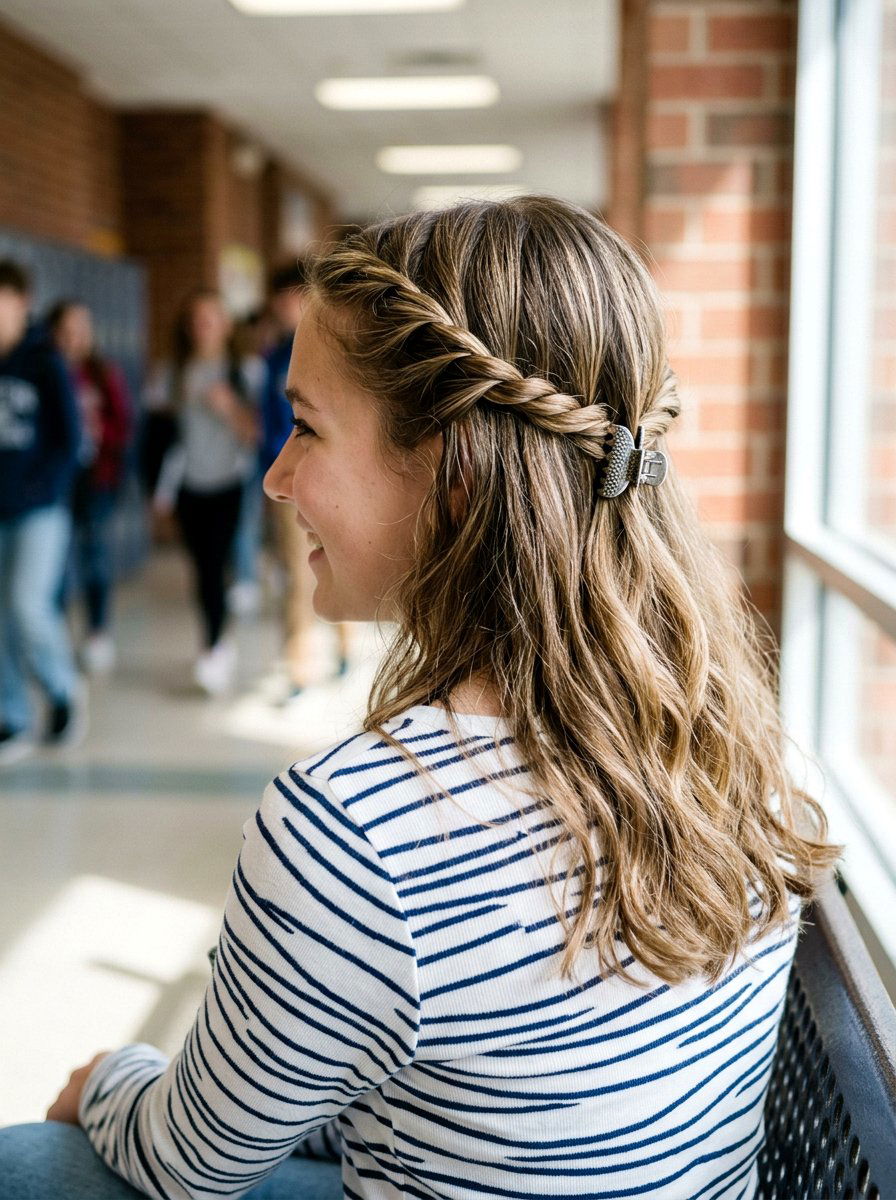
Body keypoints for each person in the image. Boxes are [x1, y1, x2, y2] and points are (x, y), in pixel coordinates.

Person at [0, 197, 838, 1197]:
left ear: (451, 471)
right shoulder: (734, 738)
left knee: (30, 1163)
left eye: (305, 428)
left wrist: (110, 1081)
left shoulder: (361, 831)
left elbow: (190, 1163)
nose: (276, 477)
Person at [149, 290, 261, 695]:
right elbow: (159, 436)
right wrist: (158, 491)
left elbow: (256, 434)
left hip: (229, 483)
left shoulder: (245, 371)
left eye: (211, 318)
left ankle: (213, 648)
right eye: (196, 319)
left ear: (226, 325)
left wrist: (229, 406)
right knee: (201, 569)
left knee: (215, 566)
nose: (203, 326)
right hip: (188, 486)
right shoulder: (173, 373)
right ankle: (216, 641)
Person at [0, 260, 83, 765]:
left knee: (27, 604)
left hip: (39, 510)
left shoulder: (44, 361)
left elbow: (70, 441)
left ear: (21, 303)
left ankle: (63, 690)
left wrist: (39, 490)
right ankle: (12, 716)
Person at [261, 261, 350, 699]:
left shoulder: (335, 354)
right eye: (279, 300)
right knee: (296, 573)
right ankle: (297, 664)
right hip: (286, 478)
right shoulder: (274, 357)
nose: (285, 307)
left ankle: (344, 641)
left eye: (293, 298)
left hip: (328, 477)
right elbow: (267, 422)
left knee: (338, 562)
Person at [48, 299, 133, 675]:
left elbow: (123, 423)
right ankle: (55, 636)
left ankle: (98, 632)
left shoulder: (102, 373)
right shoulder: (47, 373)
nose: (74, 339)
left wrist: (100, 432)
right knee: (53, 561)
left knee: (95, 555)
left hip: (96, 478)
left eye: (80, 331)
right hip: (54, 481)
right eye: (65, 332)